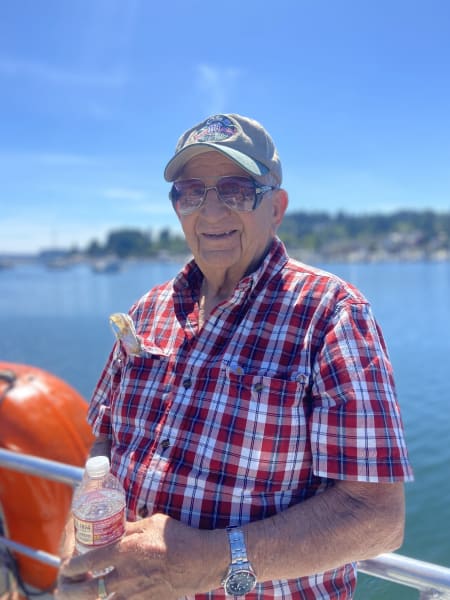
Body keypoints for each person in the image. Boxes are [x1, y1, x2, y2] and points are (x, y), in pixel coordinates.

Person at [56, 113, 413, 599]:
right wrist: (78, 543)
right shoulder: (148, 311)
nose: (212, 212)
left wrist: (209, 562)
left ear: (278, 207)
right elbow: (105, 444)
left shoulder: (331, 314)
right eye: (190, 192)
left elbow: (376, 517)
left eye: (237, 190)